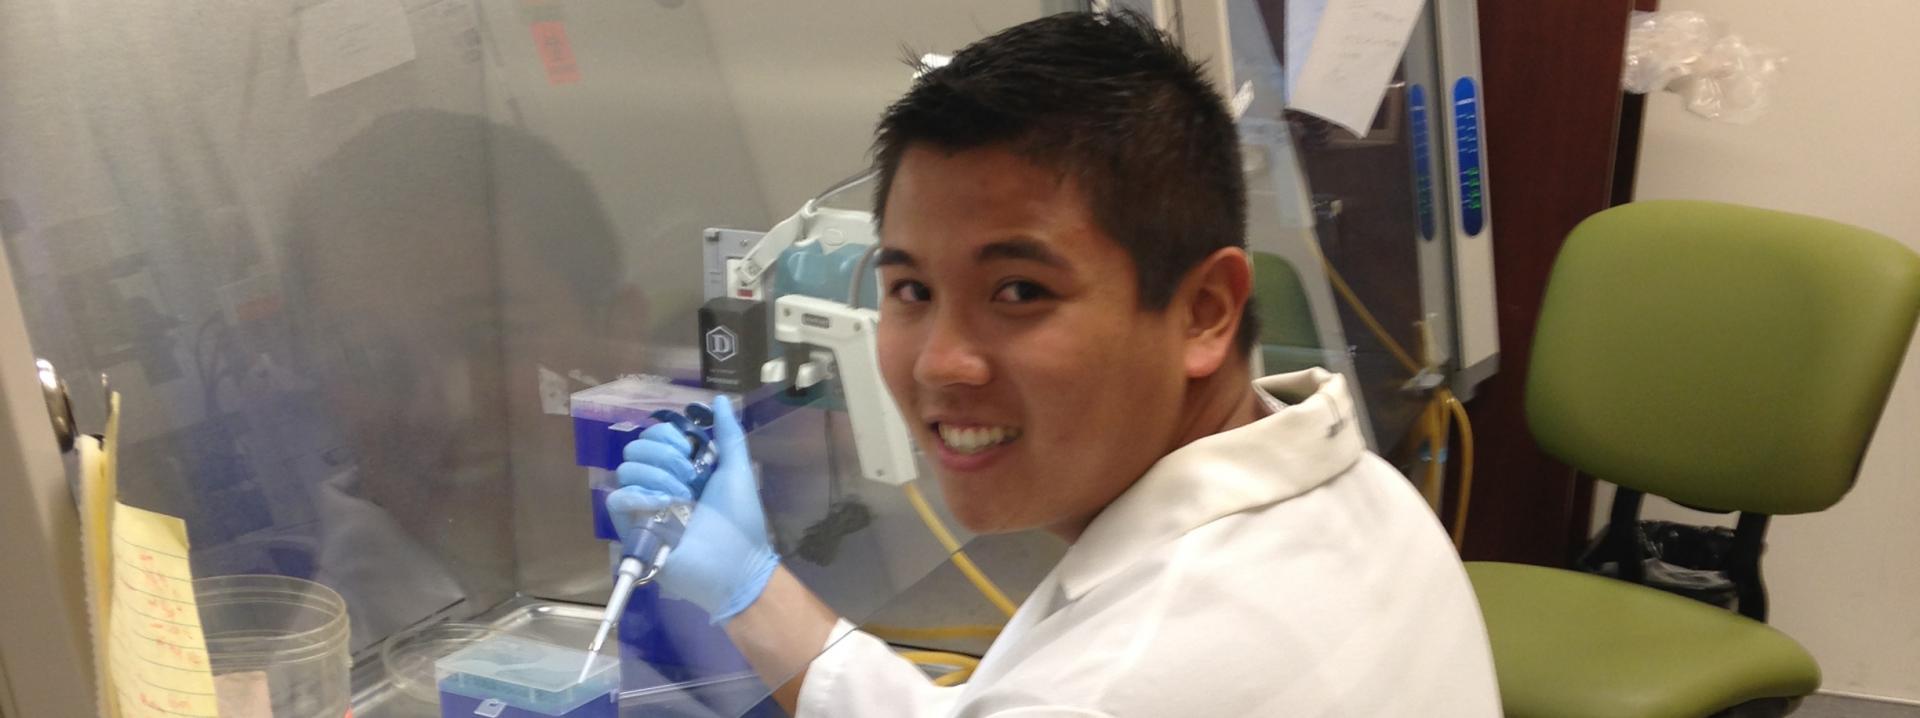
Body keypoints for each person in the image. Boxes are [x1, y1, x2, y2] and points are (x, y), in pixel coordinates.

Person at [607, 11, 1500, 716]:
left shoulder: (1123, 679)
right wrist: (749, 587)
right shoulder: (1360, 490)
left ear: (1204, 311)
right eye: (910, 289)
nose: (942, 364)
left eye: (1020, 291)